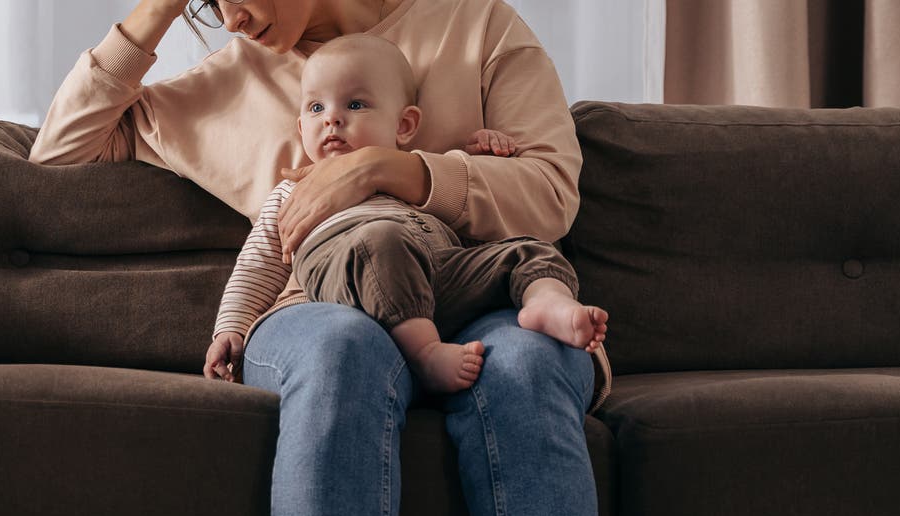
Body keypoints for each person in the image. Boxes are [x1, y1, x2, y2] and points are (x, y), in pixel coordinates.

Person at [33, 2, 609, 516]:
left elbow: (551, 192)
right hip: (319, 308)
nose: (227, 13)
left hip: (479, 294)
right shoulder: (226, 78)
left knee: (526, 369)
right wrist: (157, 11)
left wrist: (393, 170)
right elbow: (59, 148)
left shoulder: (476, 26)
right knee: (344, 349)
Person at [203, 33, 611, 397]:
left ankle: (547, 304)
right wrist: (231, 328)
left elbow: (477, 213)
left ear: (404, 124)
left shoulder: (422, 170)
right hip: (350, 276)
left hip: (435, 275)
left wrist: (485, 154)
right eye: (315, 108)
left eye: (355, 104)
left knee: (527, 251)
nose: (331, 118)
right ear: (300, 126)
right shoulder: (294, 189)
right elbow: (257, 263)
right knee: (381, 241)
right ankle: (425, 353)